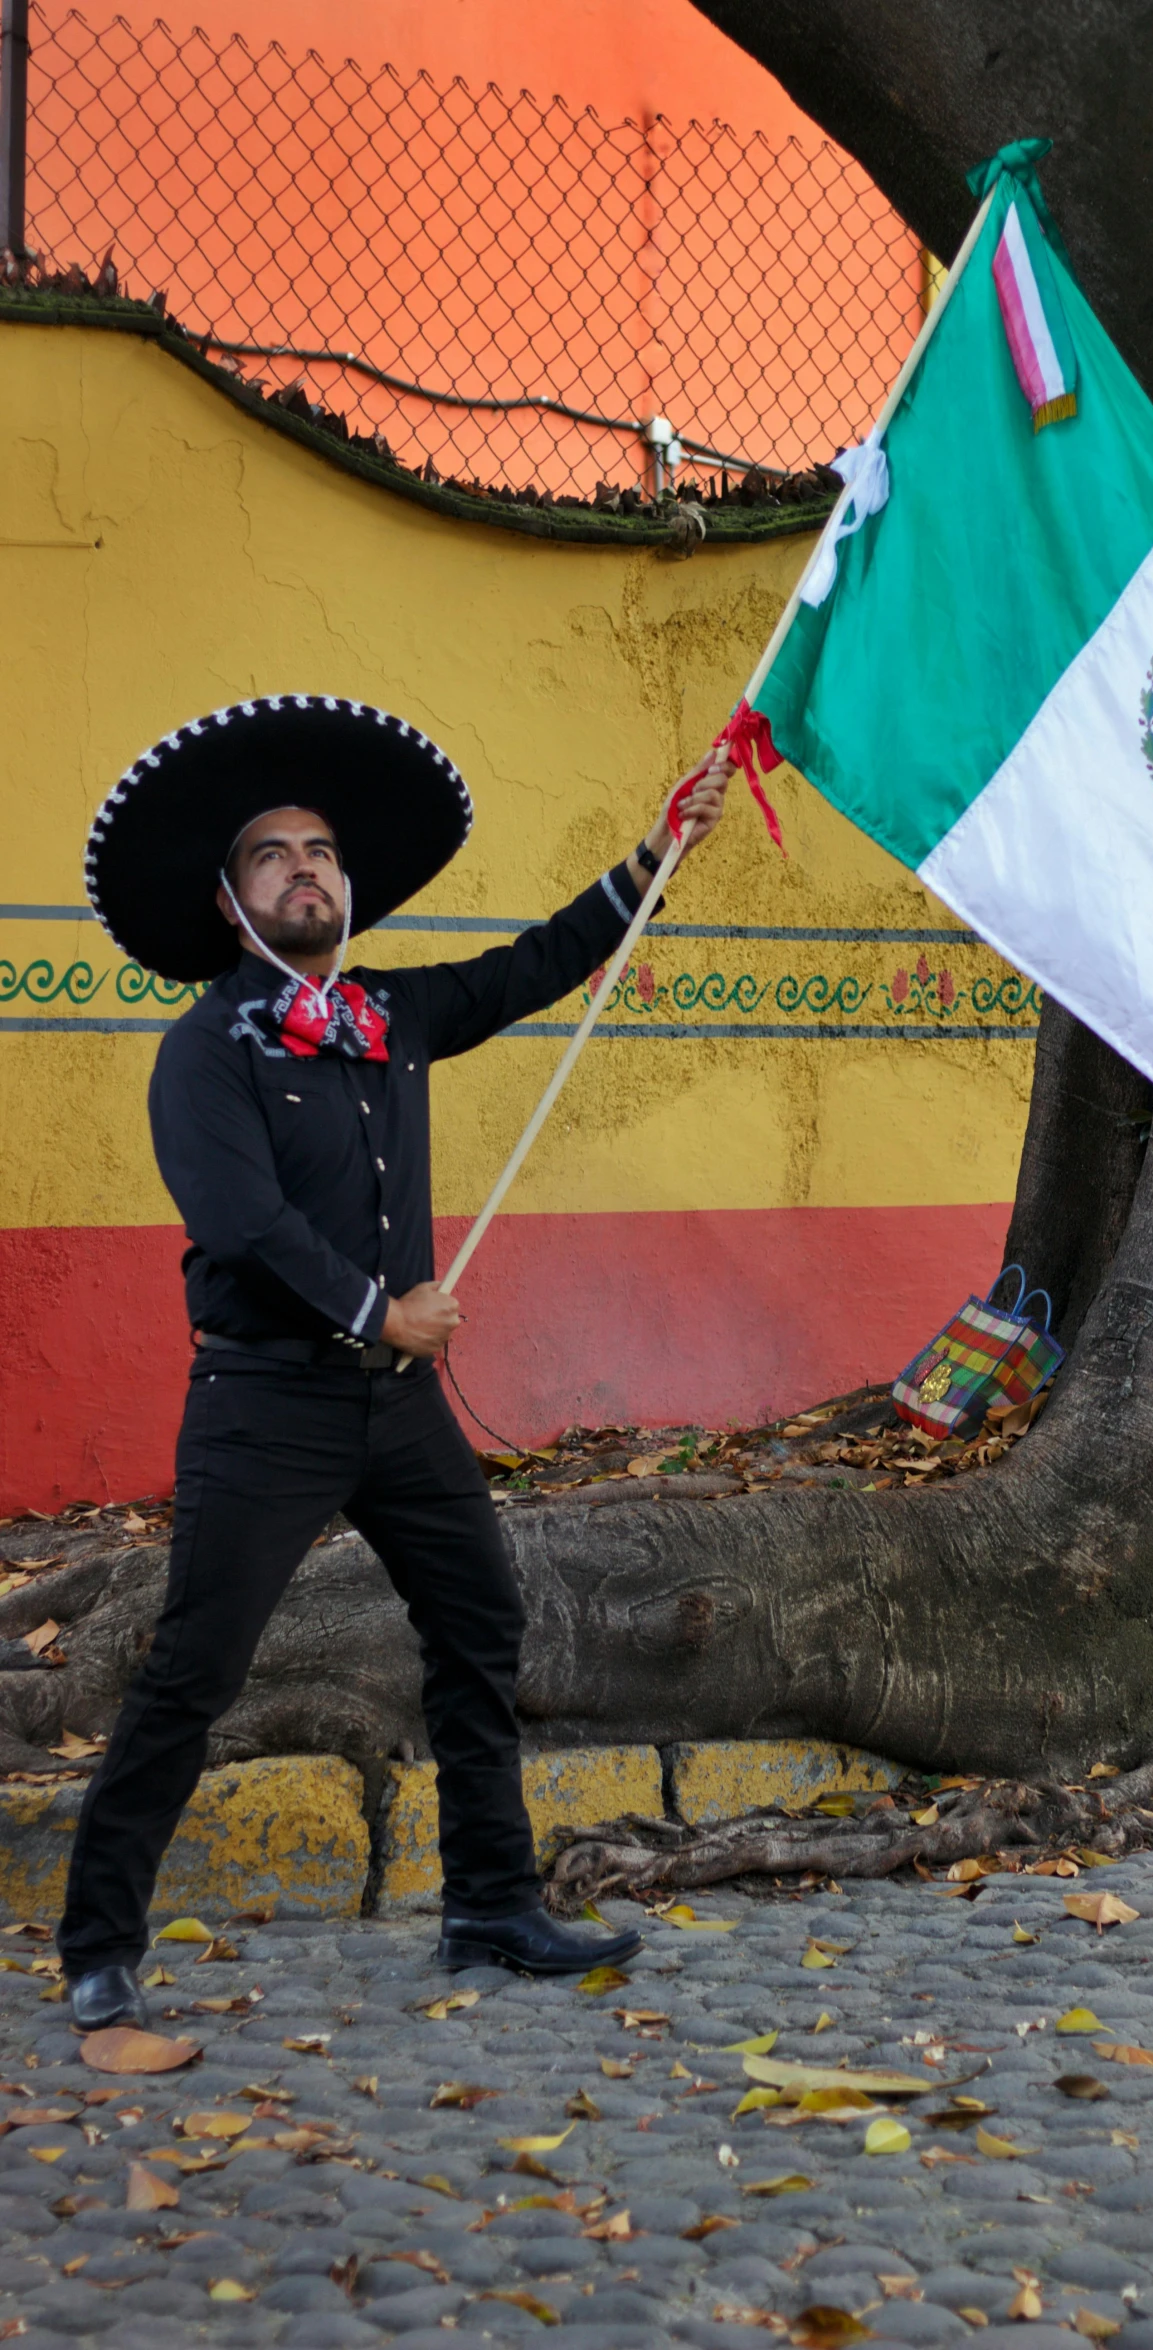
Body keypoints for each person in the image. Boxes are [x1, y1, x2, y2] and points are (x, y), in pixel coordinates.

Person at [62, 693, 730, 2030]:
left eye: (319, 851)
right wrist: (379, 1310)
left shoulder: (390, 1016)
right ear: (229, 899)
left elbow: (532, 965)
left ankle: (488, 1903)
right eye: (272, 854)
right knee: (197, 1663)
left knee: (480, 1622)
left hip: (398, 1406)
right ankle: (98, 1938)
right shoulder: (203, 1053)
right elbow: (241, 1225)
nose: (303, 866)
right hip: (267, 1406)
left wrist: (654, 858)